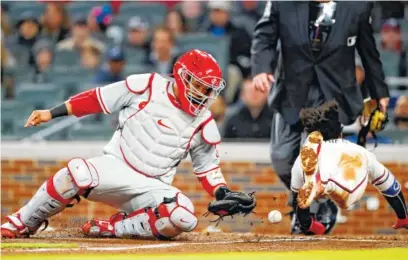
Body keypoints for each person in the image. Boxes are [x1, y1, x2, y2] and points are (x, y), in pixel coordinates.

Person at [1, 49, 255, 240]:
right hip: (116, 166)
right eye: (199, 85)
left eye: (208, 89)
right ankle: (22, 221)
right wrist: (51, 113)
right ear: (181, 76)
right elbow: (96, 99)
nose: (204, 94)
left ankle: (112, 228)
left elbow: (207, 168)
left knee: (184, 217)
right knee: (75, 173)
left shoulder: (204, 120)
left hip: (154, 186)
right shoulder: (146, 85)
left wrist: (222, 192)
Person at [251, 1, 390, 233]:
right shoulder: (281, 3)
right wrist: (261, 68)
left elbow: (368, 51)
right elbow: (264, 35)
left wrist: (379, 93)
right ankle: (311, 202)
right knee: (282, 157)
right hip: (291, 91)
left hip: (331, 95)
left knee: (313, 158)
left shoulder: (357, 6)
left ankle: (313, 210)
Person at [291, 101, 408, 235]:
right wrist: (403, 217)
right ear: (340, 133)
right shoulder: (362, 152)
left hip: (323, 177)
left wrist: (313, 226)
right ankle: (324, 182)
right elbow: (392, 190)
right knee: (354, 188)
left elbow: (300, 210)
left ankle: (322, 182)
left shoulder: (303, 158)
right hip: (353, 181)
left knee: (320, 180)